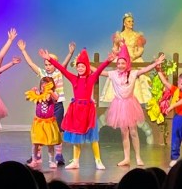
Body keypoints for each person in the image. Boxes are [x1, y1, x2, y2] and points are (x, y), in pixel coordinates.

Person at [41, 46, 113, 170]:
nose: (80, 68)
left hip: (88, 110)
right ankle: (75, 161)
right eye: (78, 66)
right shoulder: (74, 78)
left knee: (93, 137)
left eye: (82, 66)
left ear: (87, 67)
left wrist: (108, 61)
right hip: (76, 110)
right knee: (76, 136)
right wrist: (50, 60)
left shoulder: (91, 78)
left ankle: (98, 160)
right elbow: (62, 70)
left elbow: (99, 70)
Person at [105, 42, 166, 167]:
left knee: (133, 131)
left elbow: (145, 69)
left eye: (123, 63)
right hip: (119, 106)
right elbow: (98, 72)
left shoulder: (133, 73)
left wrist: (156, 63)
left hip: (130, 104)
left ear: (127, 63)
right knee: (124, 132)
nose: (120, 65)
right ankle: (126, 158)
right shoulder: (113, 74)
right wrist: (85, 65)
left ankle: (138, 157)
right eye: (119, 63)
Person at [18, 37, 76, 167]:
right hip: (44, 106)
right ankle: (37, 154)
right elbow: (31, 64)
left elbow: (64, 64)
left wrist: (70, 53)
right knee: (41, 130)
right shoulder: (43, 73)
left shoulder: (59, 72)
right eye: (46, 64)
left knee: (58, 130)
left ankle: (58, 155)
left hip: (57, 105)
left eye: (50, 64)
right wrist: (23, 51)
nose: (48, 66)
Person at [155, 66, 182, 167]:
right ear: (178, 83)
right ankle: (174, 158)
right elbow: (165, 82)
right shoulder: (175, 90)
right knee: (176, 139)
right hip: (179, 118)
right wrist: (159, 71)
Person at [25, 76, 62, 171]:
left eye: (47, 84)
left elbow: (56, 98)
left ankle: (51, 161)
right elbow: (28, 98)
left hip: (49, 122)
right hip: (39, 122)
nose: (44, 86)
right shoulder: (38, 94)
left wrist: (50, 91)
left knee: (50, 143)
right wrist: (33, 92)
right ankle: (34, 160)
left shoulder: (53, 94)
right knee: (36, 142)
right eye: (43, 84)